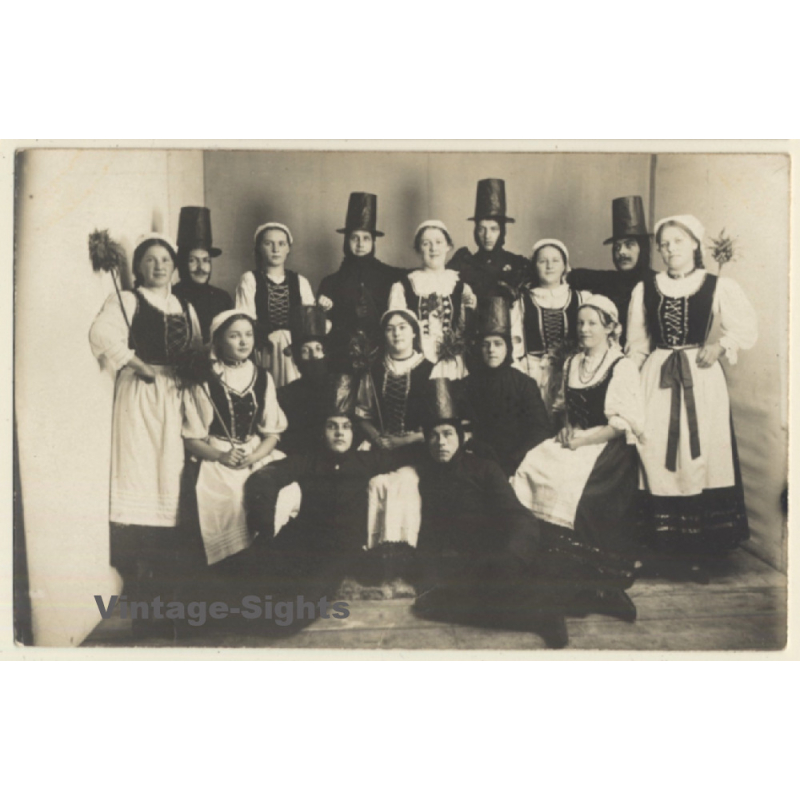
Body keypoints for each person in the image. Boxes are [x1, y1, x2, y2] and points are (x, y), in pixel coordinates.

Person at [627, 214, 757, 576]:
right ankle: (658, 547)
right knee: (653, 451)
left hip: (701, 380)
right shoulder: (646, 288)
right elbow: (637, 345)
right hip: (657, 376)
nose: (670, 250)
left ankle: (698, 550)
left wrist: (720, 344)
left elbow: (744, 328)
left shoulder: (716, 285)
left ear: (696, 245)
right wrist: (628, 388)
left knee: (699, 454)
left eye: (678, 242)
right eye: (664, 244)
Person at [89, 232, 201, 635]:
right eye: (150, 260)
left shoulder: (184, 305)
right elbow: (101, 335)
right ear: (137, 268)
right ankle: (142, 592)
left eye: (165, 260)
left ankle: (169, 595)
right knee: (140, 471)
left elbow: (198, 349)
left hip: (176, 397)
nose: (159, 266)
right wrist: (139, 365)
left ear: (174, 267)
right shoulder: (129, 300)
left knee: (171, 476)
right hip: (140, 397)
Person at [512, 294, 644, 620]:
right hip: (579, 440)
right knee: (532, 465)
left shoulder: (621, 366)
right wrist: (569, 430)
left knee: (573, 489)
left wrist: (584, 439)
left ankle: (600, 585)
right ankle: (558, 578)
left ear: (610, 327)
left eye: (593, 324)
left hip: (609, 449)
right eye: (581, 323)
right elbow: (566, 411)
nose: (584, 330)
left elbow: (621, 425)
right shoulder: (572, 362)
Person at [410, 378, 569, 648]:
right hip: (464, 565)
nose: (440, 442)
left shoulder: (483, 468)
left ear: (461, 437)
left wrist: (512, 557)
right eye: (434, 436)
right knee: (429, 605)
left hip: (502, 556)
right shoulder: (426, 471)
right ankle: (540, 613)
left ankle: (547, 616)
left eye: (447, 434)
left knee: (514, 582)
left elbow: (520, 517)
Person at [181, 310, 288, 566]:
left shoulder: (263, 376)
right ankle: (233, 574)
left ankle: (265, 568)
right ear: (218, 341)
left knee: (280, 493)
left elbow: (272, 433)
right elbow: (191, 438)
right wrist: (222, 456)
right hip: (217, 456)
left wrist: (253, 456)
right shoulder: (204, 378)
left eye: (248, 335)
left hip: (255, 452)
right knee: (231, 498)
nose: (244, 342)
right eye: (235, 336)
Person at [356, 309, 433, 552]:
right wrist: (377, 438)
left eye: (402, 327)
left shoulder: (431, 369)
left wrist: (406, 440)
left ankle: (401, 550)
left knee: (404, 483)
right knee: (364, 479)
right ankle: (370, 548)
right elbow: (362, 415)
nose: (396, 333)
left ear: (413, 332)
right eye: (390, 328)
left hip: (419, 447)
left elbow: (441, 424)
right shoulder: (374, 372)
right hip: (380, 446)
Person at [459, 296, 553, 477]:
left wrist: (513, 459)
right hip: (477, 460)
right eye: (485, 345)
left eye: (497, 344)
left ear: (507, 348)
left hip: (518, 461)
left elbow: (540, 429)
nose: (491, 350)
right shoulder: (466, 385)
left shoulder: (524, 384)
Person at [317, 192, 404, 374]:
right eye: (354, 238)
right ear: (346, 241)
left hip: (383, 360)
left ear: (373, 242)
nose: (360, 243)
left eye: (366, 238)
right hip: (343, 361)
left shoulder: (388, 275)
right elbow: (322, 330)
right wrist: (343, 314)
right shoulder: (330, 283)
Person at [388, 220, 477, 378]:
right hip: (416, 364)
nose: (433, 248)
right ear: (418, 249)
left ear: (448, 246)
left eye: (438, 242)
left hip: (453, 365)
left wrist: (471, 308)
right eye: (426, 243)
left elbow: (464, 329)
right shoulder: (404, 286)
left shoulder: (459, 286)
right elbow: (396, 330)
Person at [235, 222, 316, 388]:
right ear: (259, 248)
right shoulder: (249, 280)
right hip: (264, 351)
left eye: (281, 244)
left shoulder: (301, 282)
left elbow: (310, 324)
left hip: (295, 353)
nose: (275, 249)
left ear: (288, 249)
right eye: (268, 243)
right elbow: (244, 322)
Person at [513, 238, 588, 415]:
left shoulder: (582, 299)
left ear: (565, 266)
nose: (549, 266)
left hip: (572, 373)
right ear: (534, 266)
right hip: (534, 374)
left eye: (555, 261)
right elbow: (514, 346)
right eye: (542, 261)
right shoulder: (522, 302)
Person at [568, 195, 651, 346]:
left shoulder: (658, 283)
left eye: (629, 245)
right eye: (617, 247)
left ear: (643, 248)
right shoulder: (606, 281)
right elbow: (570, 275)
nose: (622, 252)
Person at [448, 178, 528, 304]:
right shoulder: (464, 263)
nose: (487, 236)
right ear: (475, 231)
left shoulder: (517, 264)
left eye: (493, 229)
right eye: (481, 229)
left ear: (502, 232)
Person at [275, 305, 332, 456]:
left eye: (318, 349)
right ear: (297, 358)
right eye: (306, 351)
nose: (314, 356)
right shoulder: (284, 395)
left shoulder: (340, 388)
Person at [172, 206, 233, 342]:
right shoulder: (171, 297)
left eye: (206, 261)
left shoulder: (222, 299)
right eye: (193, 261)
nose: (201, 268)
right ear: (182, 263)